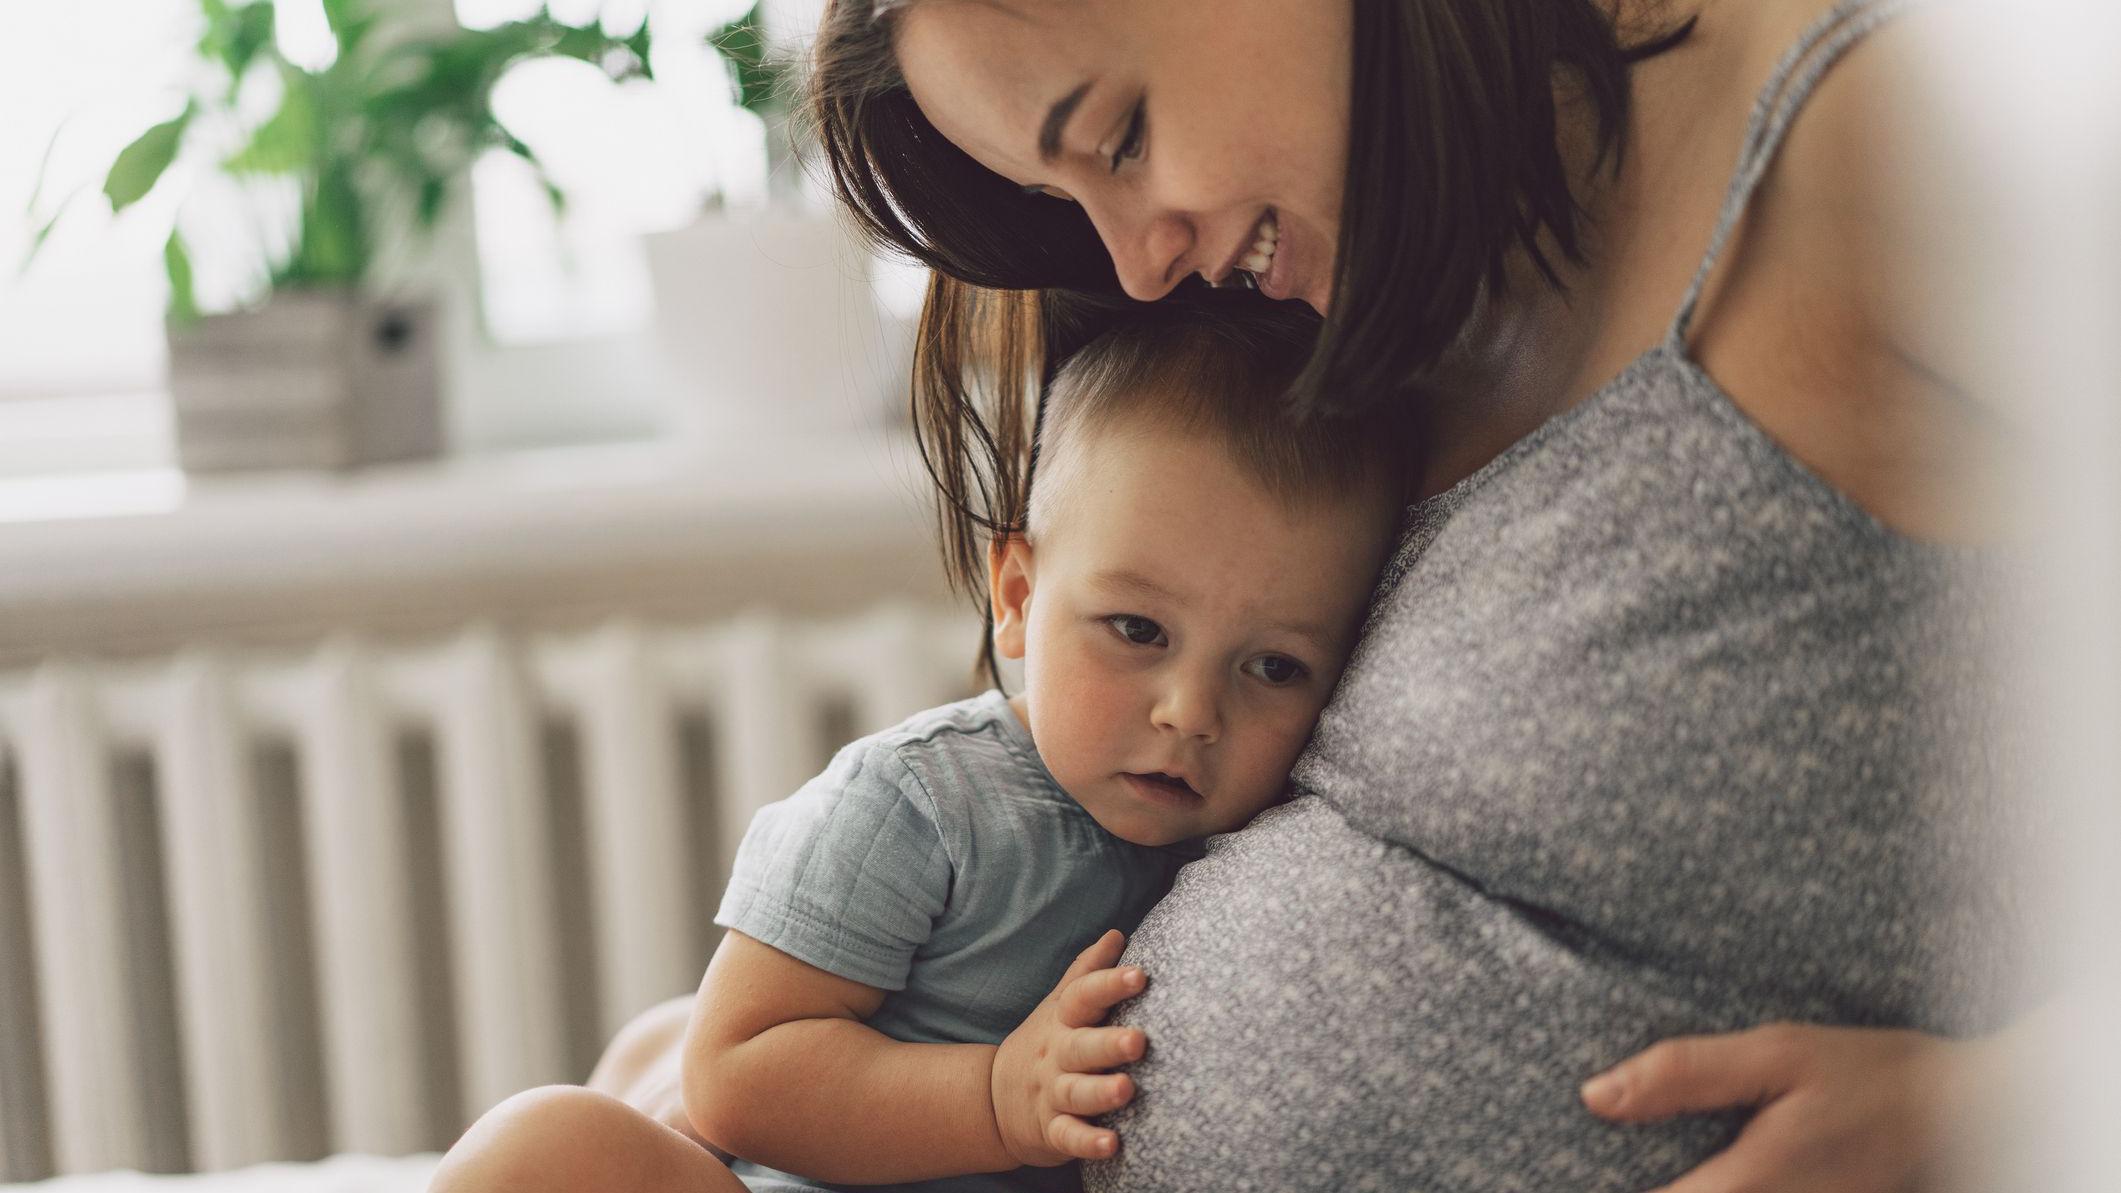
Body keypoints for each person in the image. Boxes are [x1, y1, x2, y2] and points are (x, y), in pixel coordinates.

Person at [777, 0, 2043, 1189]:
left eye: (1123, 135)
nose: (1139, 265)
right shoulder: (1358, 287)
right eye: (1066, 196)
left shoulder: (1879, 139)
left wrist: (1992, 1108)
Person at [428, 305, 1412, 1192]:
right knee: (547, 1143)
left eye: (1275, 667)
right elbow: (737, 1069)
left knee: (653, 1050)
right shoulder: (924, 802)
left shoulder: (1272, 844)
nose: (1191, 711)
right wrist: (992, 1095)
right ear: (1018, 598)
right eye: (1138, 630)